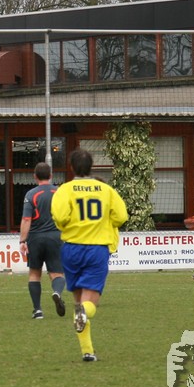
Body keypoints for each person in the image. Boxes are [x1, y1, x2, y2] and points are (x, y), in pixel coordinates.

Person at [51, 148, 128, 363]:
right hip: (96, 249)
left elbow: (59, 217)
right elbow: (121, 217)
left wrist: (69, 224)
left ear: (71, 167)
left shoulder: (65, 190)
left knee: (78, 302)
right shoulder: (106, 190)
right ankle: (85, 313)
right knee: (89, 304)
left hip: (71, 248)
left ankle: (87, 351)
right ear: (92, 166)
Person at [20, 162, 66, 320]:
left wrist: (22, 241)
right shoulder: (59, 192)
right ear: (51, 176)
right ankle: (57, 292)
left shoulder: (30, 194)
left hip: (36, 238)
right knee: (57, 273)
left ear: (35, 176)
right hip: (55, 237)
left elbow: (26, 219)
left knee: (34, 273)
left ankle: (38, 310)